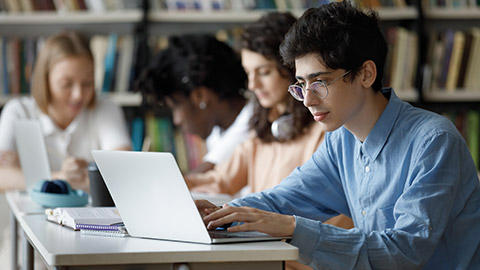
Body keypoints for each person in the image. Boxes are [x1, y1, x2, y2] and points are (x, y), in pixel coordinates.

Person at [198, 2, 480, 269]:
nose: (307, 100)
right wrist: (216, 214)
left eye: (319, 82)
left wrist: (291, 227)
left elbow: (404, 253)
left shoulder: (433, 142)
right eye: (301, 85)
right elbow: (281, 200)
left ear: (366, 74)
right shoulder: (341, 140)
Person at [185, 12, 353, 270]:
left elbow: (339, 219)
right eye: (248, 73)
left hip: (298, 259)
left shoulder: (327, 132)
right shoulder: (265, 129)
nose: (252, 84)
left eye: (263, 72)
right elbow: (221, 179)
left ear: (291, 70)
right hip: (264, 251)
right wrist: (173, 184)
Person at [0, 31, 131, 192]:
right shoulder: (19, 111)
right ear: (45, 80)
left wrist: (26, 175)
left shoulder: (105, 109)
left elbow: (122, 171)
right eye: (66, 84)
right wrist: (60, 177)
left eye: (87, 83)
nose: (78, 95)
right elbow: (2, 176)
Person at [135, 34, 252, 174]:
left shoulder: (254, 124)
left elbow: (202, 178)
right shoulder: (217, 130)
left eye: (176, 107)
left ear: (200, 96)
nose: (176, 120)